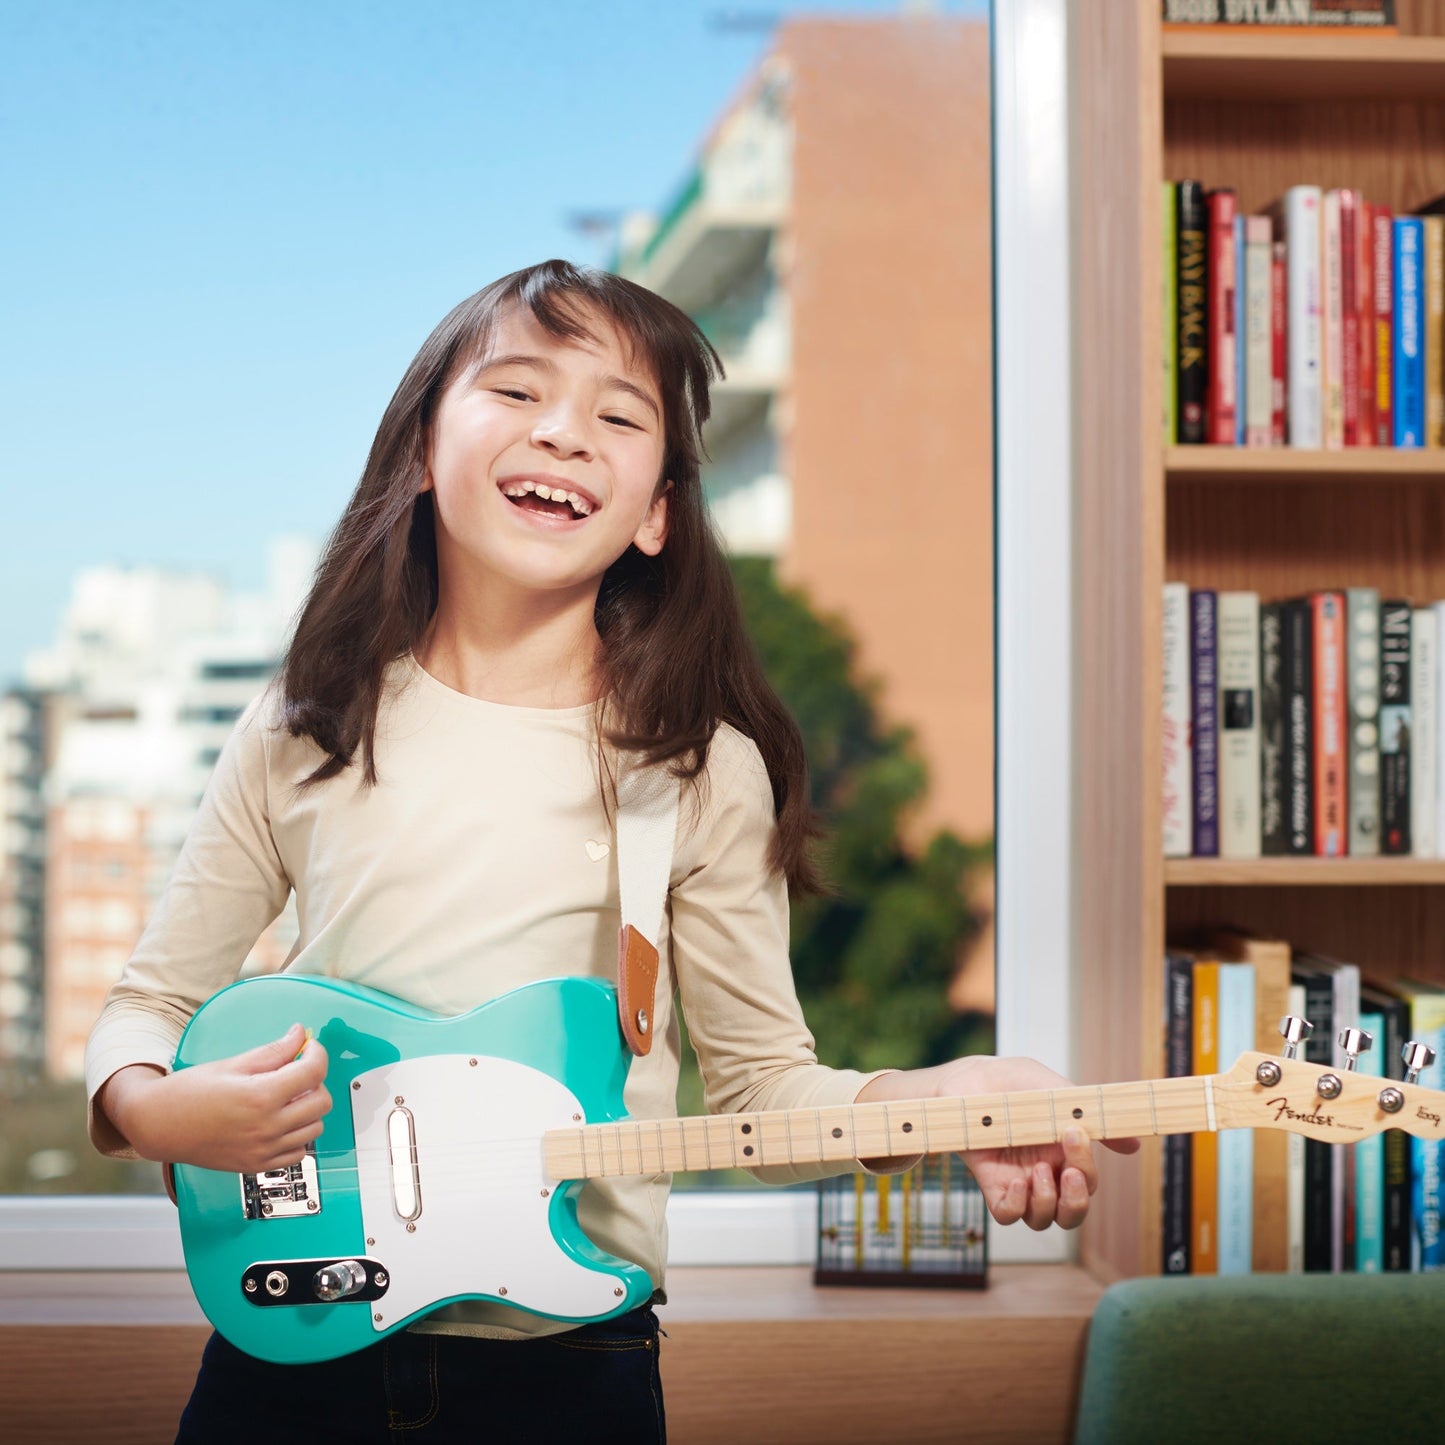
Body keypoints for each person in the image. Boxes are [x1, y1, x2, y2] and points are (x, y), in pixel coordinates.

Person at [86, 259, 1137, 1443]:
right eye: (519, 390)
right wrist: (159, 1113)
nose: (565, 432)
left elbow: (761, 1097)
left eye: (618, 415)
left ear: (654, 515)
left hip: (569, 1374)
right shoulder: (306, 720)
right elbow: (149, 999)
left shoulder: (694, 765)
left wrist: (947, 1096)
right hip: (292, 1353)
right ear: (422, 452)